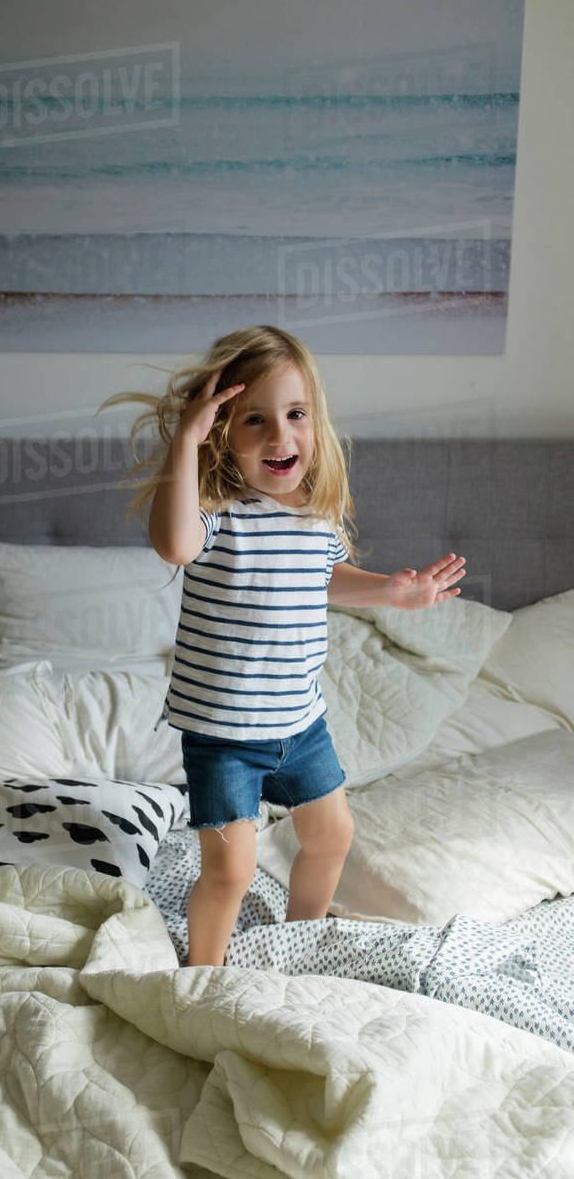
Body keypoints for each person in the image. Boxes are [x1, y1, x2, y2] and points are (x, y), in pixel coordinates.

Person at [98, 324, 466, 967]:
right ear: (221, 433)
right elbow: (174, 545)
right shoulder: (216, 513)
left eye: (296, 415)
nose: (279, 436)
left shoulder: (313, 516)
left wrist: (393, 592)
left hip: (301, 723)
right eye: (254, 421)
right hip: (224, 736)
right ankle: (201, 979)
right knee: (231, 870)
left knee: (332, 836)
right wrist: (185, 440)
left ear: (316, 423)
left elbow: (323, 578)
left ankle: (299, 941)